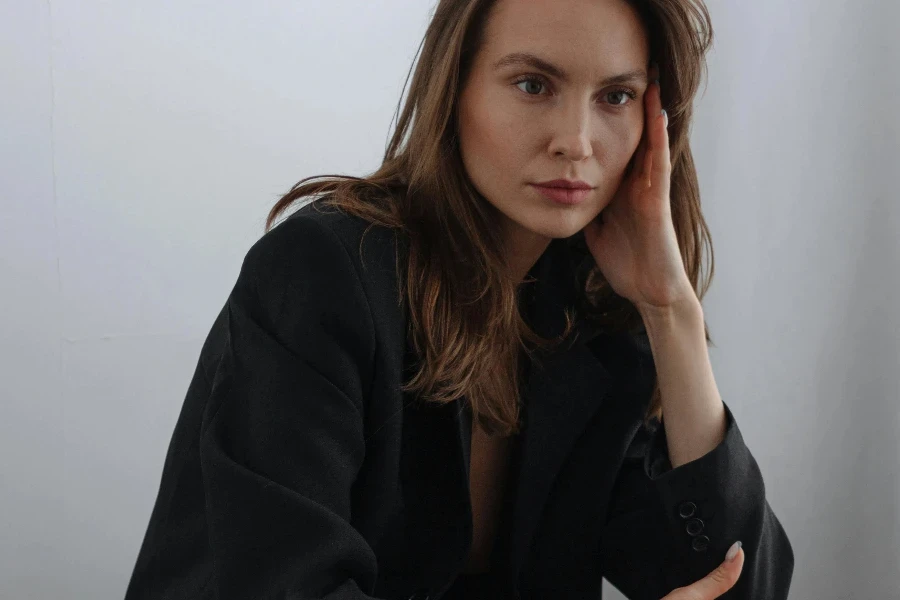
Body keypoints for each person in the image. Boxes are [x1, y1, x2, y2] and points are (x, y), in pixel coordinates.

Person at [124, 0, 795, 598]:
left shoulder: (590, 315)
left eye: (616, 97)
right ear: (456, 91)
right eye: (533, 85)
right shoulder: (322, 275)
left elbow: (738, 588)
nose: (577, 141)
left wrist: (671, 310)